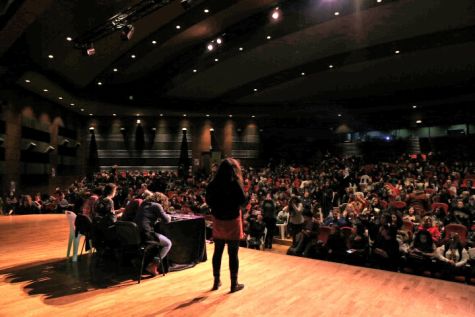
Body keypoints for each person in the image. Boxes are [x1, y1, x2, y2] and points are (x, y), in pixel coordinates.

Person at [205, 158, 246, 293]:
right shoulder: (236, 183)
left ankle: (216, 281)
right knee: (233, 254)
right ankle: (234, 284)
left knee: (218, 252)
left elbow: (208, 201)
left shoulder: (213, 184)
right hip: (233, 220)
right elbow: (243, 201)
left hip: (219, 220)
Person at [134, 192, 172, 276]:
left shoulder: (143, 204)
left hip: (137, 234)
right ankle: (153, 266)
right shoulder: (157, 206)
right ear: (162, 201)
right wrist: (169, 216)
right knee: (168, 243)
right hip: (146, 234)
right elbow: (167, 220)